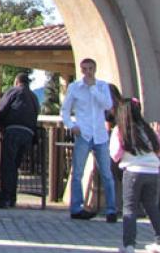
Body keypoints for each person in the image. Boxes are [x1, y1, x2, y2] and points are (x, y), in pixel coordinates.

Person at [62, 58, 117, 221]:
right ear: (81, 70)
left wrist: (93, 88)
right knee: (77, 172)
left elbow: (108, 105)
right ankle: (76, 208)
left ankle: (111, 210)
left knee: (107, 173)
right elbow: (65, 110)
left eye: (90, 68)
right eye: (85, 69)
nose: (88, 72)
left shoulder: (102, 86)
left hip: (100, 134)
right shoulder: (74, 87)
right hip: (84, 133)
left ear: (95, 69)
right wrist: (71, 125)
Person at [110, 99, 160, 253]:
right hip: (152, 172)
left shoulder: (120, 130)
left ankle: (129, 245)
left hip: (133, 171)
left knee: (129, 209)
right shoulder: (148, 129)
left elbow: (115, 155)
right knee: (151, 207)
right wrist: (157, 133)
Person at [0, 71, 40, 208]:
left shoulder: (13, 92)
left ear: (17, 82)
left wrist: (0, 125)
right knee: (15, 165)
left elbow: (2, 109)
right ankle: (12, 198)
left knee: (7, 165)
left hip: (13, 131)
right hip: (28, 134)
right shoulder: (34, 97)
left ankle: (4, 198)